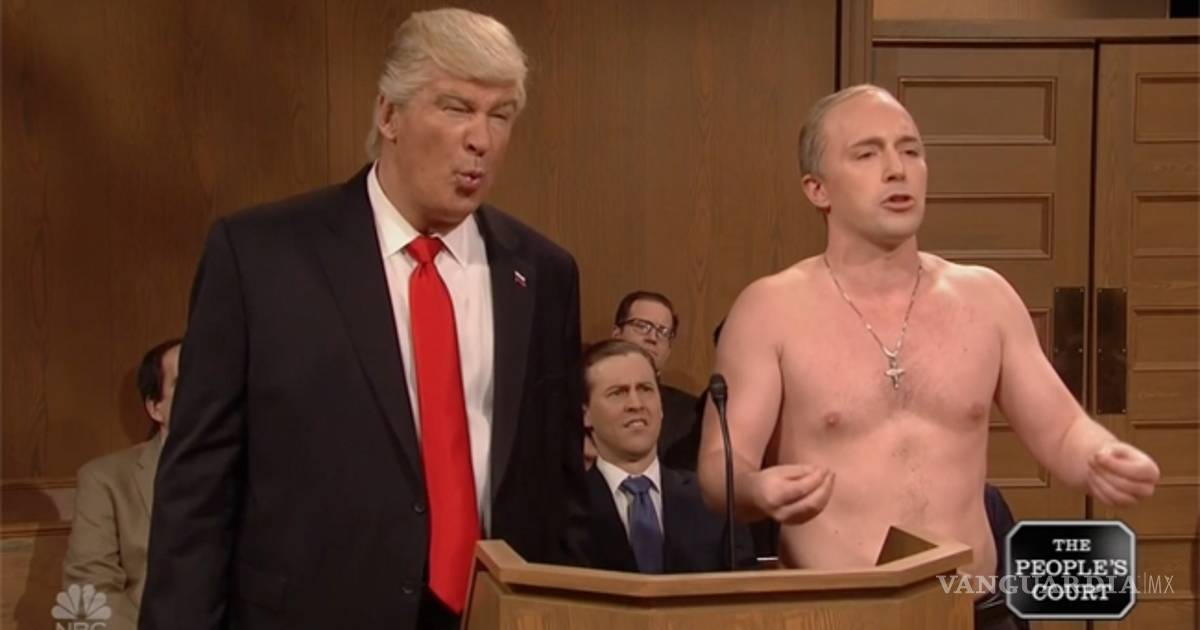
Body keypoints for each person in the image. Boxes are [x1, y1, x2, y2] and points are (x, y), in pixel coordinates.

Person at [140, 9, 585, 630]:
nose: (481, 140)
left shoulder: (541, 272)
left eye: (501, 114)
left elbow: (561, 492)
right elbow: (197, 490)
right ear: (388, 114)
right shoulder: (261, 257)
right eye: (457, 108)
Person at [696, 84, 1159, 630]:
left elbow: (1060, 430)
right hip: (839, 616)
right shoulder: (770, 310)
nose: (897, 169)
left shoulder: (985, 298)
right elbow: (720, 469)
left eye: (910, 150)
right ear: (817, 188)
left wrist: (1101, 454)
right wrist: (756, 490)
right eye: (867, 154)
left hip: (975, 611)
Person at [580, 340, 754, 573]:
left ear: (661, 406)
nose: (636, 404)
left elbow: (747, 590)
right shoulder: (564, 509)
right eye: (617, 393)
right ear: (586, 415)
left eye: (645, 389)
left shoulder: (713, 501)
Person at [63, 339, 180, 630]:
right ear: (155, 407)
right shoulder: (105, 479)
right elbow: (89, 594)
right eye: (185, 383)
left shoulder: (259, 475)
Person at [611, 291, 699, 466]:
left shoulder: (692, 414)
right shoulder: (583, 398)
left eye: (663, 332)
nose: (652, 338)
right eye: (642, 326)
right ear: (617, 335)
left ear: (669, 349)